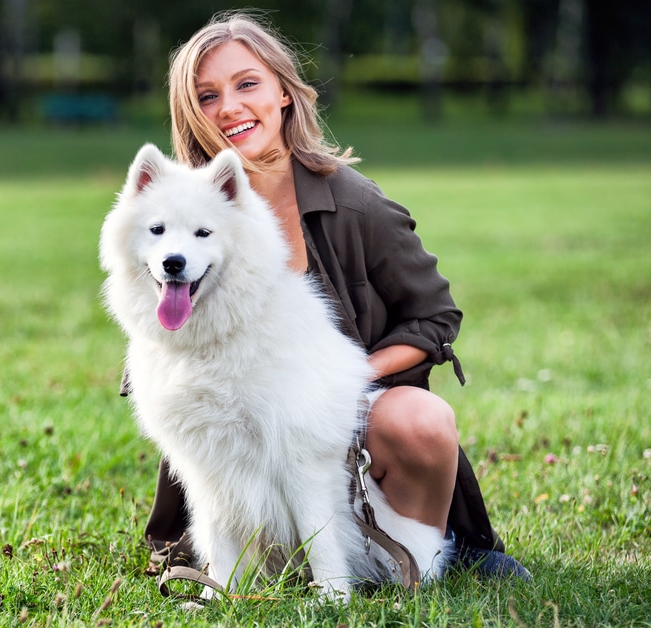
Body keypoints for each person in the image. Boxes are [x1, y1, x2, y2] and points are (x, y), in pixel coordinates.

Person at [137, 10, 530, 580]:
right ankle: (237, 556)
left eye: (247, 84)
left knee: (419, 417)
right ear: (191, 113)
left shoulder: (354, 203)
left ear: (285, 93)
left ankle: (431, 552)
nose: (229, 107)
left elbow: (435, 316)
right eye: (207, 95)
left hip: (351, 423)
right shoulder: (181, 207)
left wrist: (344, 379)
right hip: (232, 429)